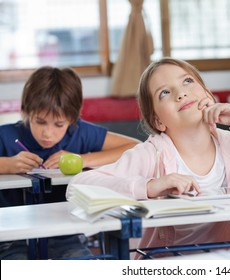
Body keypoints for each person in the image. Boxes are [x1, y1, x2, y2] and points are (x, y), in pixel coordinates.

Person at [68, 57, 230, 259]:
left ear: (207, 94)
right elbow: (77, 187)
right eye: (165, 93)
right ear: (158, 121)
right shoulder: (152, 154)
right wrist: (148, 187)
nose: (181, 93)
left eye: (188, 81)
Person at [0, 66, 140, 259]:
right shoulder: (6, 135)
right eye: (40, 122)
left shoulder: (79, 133)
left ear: (72, 119)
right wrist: (6, 165)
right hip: (13, 236)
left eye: (59, 125)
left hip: (66, 233)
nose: (48, 133)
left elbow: (134, 146)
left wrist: (82, 159)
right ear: (25, 112)